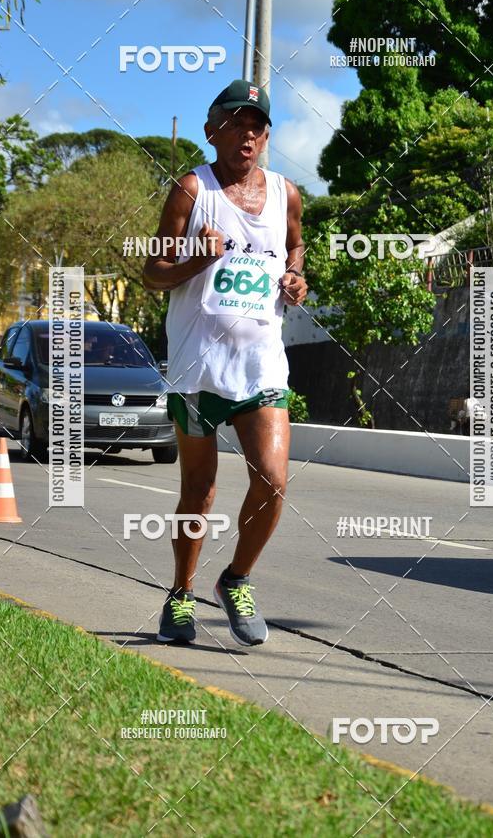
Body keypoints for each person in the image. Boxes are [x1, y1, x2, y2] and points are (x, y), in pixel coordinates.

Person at [143, 79, 307, 646]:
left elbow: (294, 245)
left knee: (274, 477)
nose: (247, 133)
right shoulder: (192, 190)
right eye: (236, 122)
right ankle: (181, 595)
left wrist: (295, 278)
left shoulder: (286, 193)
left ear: (266, 138)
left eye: (257, 125)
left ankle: (236, 579)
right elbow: (153, 272)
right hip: (198, 371)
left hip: (262, 365)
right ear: (212, 129)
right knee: (200, 491)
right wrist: (197, 257)